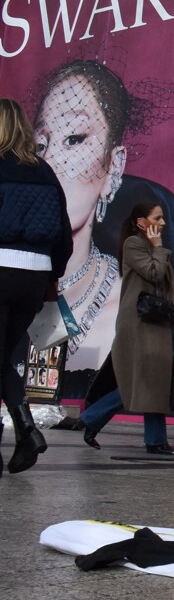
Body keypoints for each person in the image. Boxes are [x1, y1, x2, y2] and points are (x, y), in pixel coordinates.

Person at [31, 60, 174, 396]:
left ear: (114, 165)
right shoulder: (17, 293)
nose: (51, 163)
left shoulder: (128, 300)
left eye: (74, 138)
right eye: (41, 145)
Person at [0, 99, 73, 476]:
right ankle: (24, 430)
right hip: (33, 276)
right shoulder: (45, 172)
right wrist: (51, 274)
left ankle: (25, 428)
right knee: (4, 356)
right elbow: (63, 235)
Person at [80, 201, 174, 453]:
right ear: (141, 222)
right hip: (139, 323)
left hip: (156, 321)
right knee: (142, 382)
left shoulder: (151, 246)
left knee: (151, 382)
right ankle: (92, 419)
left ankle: (153, 439)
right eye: (157, 217)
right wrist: (158, 248)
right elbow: (153, 273)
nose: (163, 223)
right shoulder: (134, 244)